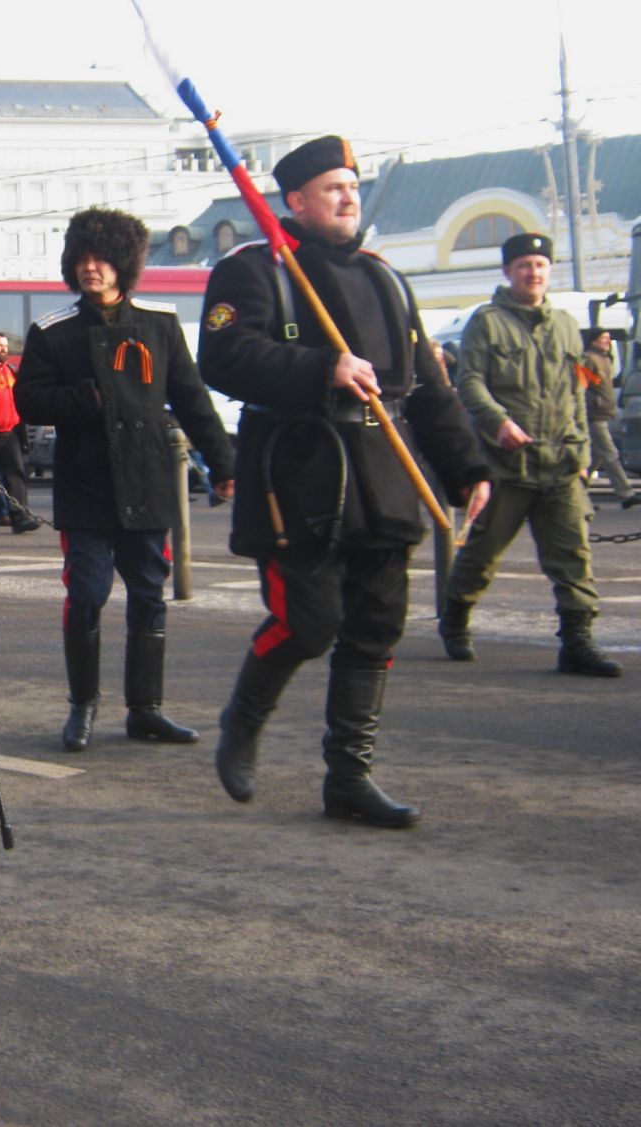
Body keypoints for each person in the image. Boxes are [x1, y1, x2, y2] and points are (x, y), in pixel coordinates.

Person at [200, 135, 491, 828]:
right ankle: (242, 719)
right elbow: (225, 354)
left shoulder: (386, 277)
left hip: (385, 477)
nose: (348, 197)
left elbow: (425, 387)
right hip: (301, 476)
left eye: (353, 187)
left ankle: (350, 777)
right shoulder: (256, 270)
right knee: (308, 623)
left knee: (375, 629)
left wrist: (467, 467)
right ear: (296, 201)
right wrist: (320, 367)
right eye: (333, 188)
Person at [16, 207, 236, 752]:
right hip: (86, 482)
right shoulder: (54, 331)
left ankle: (146, 710)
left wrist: (225, 463)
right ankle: (82, 708)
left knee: (149, 595)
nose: (92, 269)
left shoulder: (159, 325)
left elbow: (190, 397)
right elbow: (27, 399)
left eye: (103, 260)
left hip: (147, 476)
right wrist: (83, 400)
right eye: (83, 260)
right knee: (87, 593)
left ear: (124, 264)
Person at [439, 234, 622, 676]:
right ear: (508, 272)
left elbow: (574, 389)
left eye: (540, 265)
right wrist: (498, 422)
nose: (533, 273)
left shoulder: (563, 324)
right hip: (507, 466)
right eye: (524, 265)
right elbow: (471, 383)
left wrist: (581, 451)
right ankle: (456, 619)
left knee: (573, 557)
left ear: (548, 271)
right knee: (482, 555)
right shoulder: (487, 322)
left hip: (560, 464)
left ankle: (577, 643)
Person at [0, 332, 39, 533]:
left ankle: (19, 517)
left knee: (16, 475)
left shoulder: (10, 369)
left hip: (10, 432)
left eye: (5, 345)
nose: (4, 349)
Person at [580, 329, 636, 509]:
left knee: (593, 459)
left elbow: (597, 383)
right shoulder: (588, 359)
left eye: (608, 338)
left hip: (603, 414)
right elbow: (581, 385)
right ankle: (626, 493)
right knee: (610, 453)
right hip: (594, 415)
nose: (608, 341)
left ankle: (578, 497)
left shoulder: (605, 359)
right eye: (603, 338)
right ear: (593, 341)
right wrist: (594, 402)